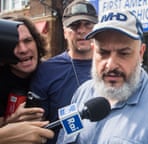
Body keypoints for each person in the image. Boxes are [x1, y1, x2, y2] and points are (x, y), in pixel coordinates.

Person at [57, 9, 148, 144]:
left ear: (141, 53)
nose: (110, 65)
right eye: (103, 53)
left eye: (123, 53)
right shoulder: (82, 93)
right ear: (94, 51)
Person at [30, 0, 98, 143]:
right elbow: (35, 125)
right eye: (74, 25)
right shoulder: (47, 70)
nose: (82, 30)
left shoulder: (109, 68)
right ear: (64, 31)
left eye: (88, 25)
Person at [0, 17, 47, 127]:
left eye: (27, 41)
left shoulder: (51, 72)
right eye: (14, 44)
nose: (23, 49)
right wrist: (11, 124)